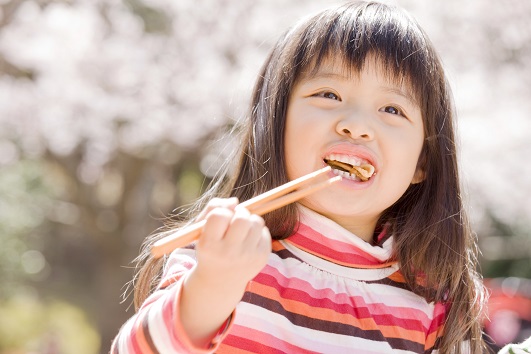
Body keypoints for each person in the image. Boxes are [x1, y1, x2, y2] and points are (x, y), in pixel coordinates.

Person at [111, 1, 488, 353]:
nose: (356, 126)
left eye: (391, 108)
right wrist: (214, 285)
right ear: (275, 126)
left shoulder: (431, 304)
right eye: (328, 94)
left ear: (423, 160)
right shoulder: (227, 253)